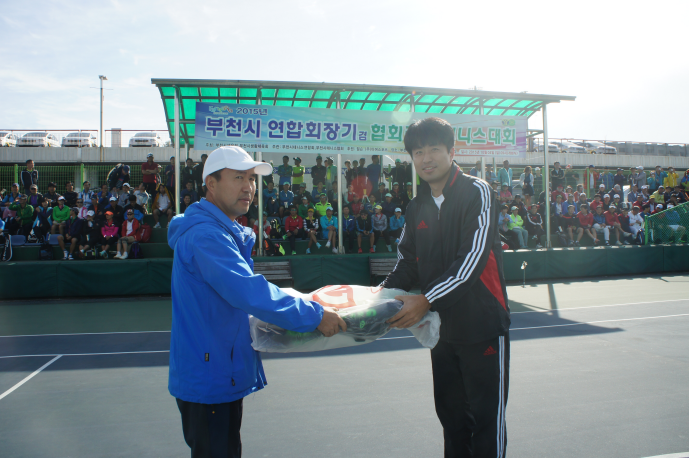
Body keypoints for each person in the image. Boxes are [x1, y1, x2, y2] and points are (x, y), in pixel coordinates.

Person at [165, 146, 345, 458]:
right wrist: (315, 316)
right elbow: (249, 292)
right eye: (238, 177)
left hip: (214, 370)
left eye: (251, 178)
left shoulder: (216, 231)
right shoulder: (207, 236)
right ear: (211, 184)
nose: (249, 186)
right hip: (211, 376)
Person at [380, 117, 509, 457]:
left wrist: (426, 300)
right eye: (418, 152)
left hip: (482, 327)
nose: (426, 159)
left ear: (452, 152)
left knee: (486, 424)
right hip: (440, 331)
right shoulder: (416, 206)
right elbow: (407, 264)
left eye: (434, 149)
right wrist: (376, 298)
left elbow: (471, 260)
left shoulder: (477, 192)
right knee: (452, 423)